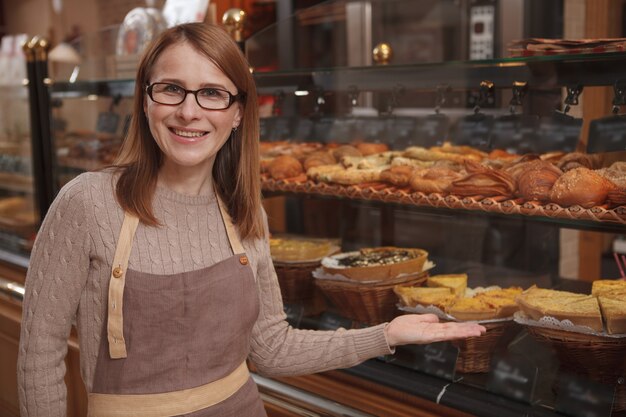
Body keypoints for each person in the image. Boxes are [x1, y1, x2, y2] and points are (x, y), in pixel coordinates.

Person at [17, 23, 486, 417]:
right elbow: (39, 358)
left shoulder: (244, 213)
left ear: (238, 112)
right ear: (145, 100)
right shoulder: (88, 203)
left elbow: (270, 348)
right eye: (171, 89)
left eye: (213, 94)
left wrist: (386, 335)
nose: (188, 111)